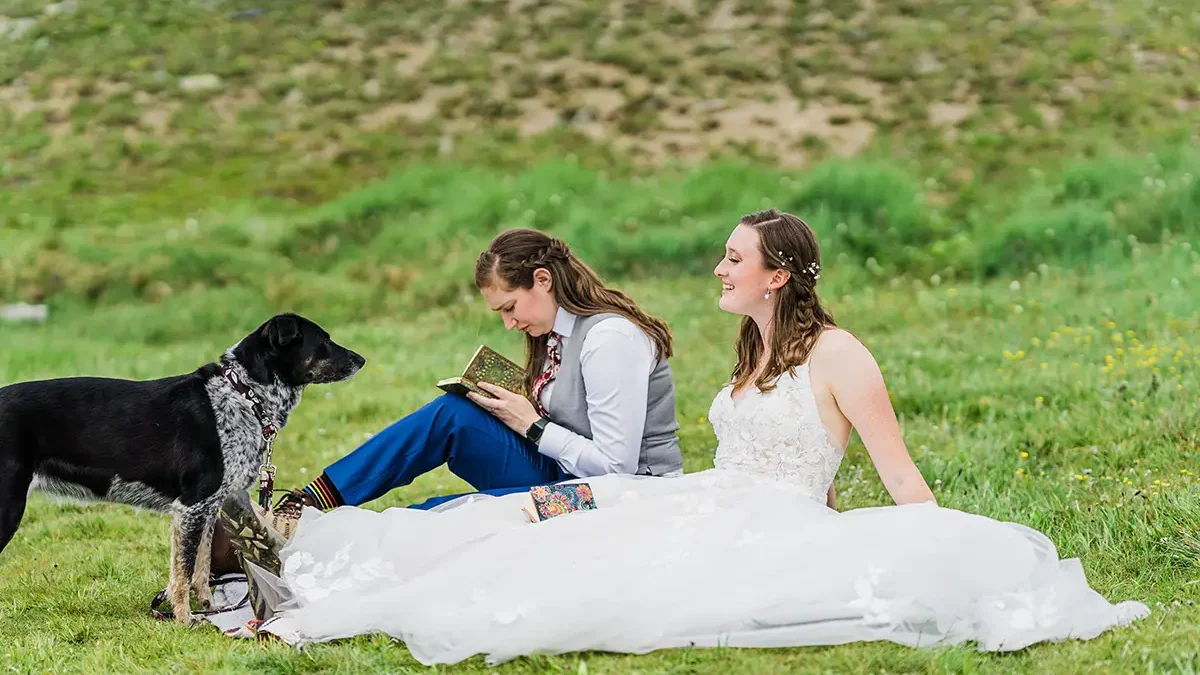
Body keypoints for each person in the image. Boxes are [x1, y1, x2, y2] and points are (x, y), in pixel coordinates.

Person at [253, 210, 1149, 664]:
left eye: (733, 257)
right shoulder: (756, 347)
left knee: (574, 563)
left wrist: (937, 542)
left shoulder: (840, 353)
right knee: (500, 522)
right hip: (707, 495)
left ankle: (307, 517)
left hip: (749, 513)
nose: (718, 267)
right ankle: (297, 546)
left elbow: (893, 472)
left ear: (779, 273)